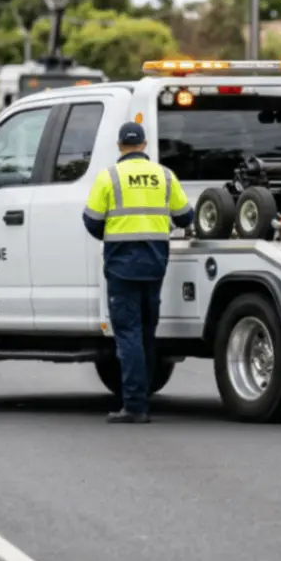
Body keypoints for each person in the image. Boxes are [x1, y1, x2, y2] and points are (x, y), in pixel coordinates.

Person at [82, 122, 193, 424]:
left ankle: (134, 405)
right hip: (155, 265)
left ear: (120, 146)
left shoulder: (109, 178)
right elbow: (185, 216)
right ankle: (141, 399)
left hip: (121, 268)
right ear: (144, 145)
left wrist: (113, 233)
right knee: (146, 333)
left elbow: (91, 221)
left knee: (128, 335)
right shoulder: (165, 176)